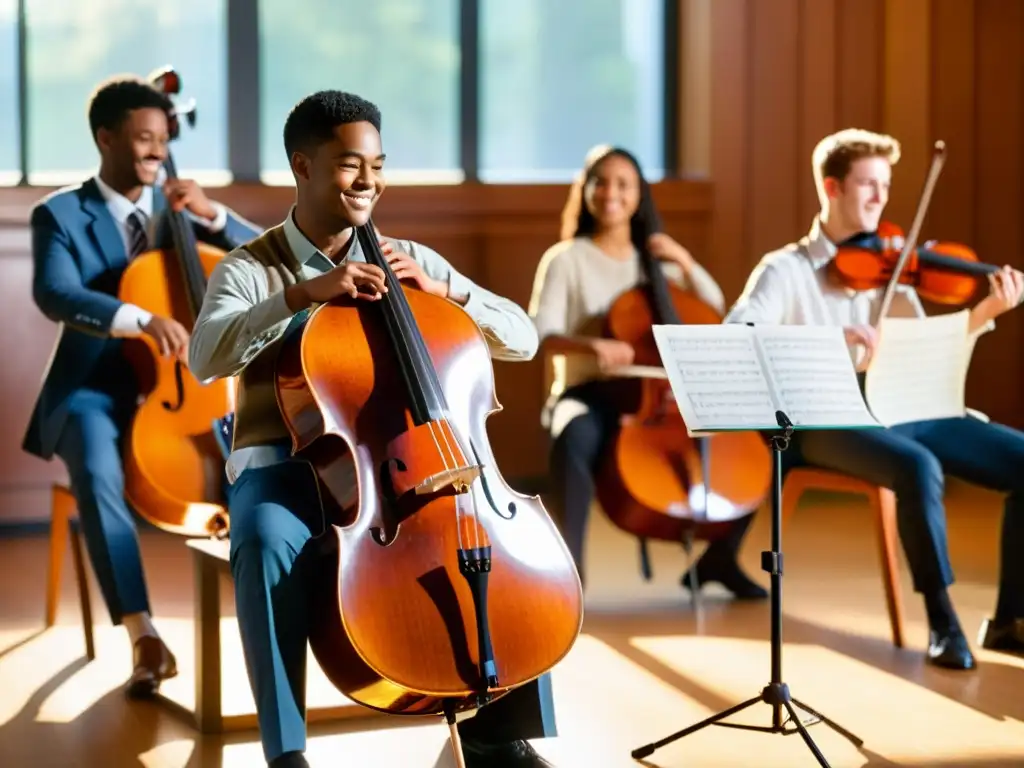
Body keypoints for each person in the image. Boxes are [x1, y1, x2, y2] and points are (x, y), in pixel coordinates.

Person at [188, 90, 558, 768]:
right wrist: (301, 295)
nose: (368, 182)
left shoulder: (408, 256)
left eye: (378, 165)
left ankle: (497, 733)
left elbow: (526, 338)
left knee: (498, 548)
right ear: (303, 166)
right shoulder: (251, 265)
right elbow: (206, 356)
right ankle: (285, 753)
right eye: (349, 165)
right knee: (266, 543)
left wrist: (450, 294)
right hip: (284, 467)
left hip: (399, 464)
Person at [725, 127, 1024, 671]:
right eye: (867, 184)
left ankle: (1010, 621)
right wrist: (829, 343)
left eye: (885, 186)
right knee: (919, 468)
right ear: (831, 187)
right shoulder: (785, 269)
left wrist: (980, 318)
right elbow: (738, 332)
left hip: (904, 407)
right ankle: (942, 621)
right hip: (827, 420)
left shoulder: (893, 266)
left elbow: (928, 351)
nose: (880, 198)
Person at [22, 75, 262, 697]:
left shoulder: (179, 211)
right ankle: (144, 635)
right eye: (143, 139)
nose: (157, 152)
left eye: (163, 139)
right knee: (98, 471)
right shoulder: (60, 213)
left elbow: (266, 258)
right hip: (94, 388)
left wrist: (214, 215)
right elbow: (55, 293)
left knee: (257, 458)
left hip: (183, 391)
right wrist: (139, 318)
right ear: (105, 138)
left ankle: (276, 616)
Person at [527, 144, 767, 600]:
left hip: (656, 397)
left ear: (639, 196)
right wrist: (591, 343)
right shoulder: (566, 258)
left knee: (750, 443)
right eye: (602, 182)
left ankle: (719, 558)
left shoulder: (652, 263)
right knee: (572, 434)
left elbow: (713, 307)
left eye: (624, 184)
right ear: (587, 191)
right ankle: (569, 579)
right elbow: (541, 335)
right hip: (588, 391)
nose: (611, 193)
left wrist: (683, 260)